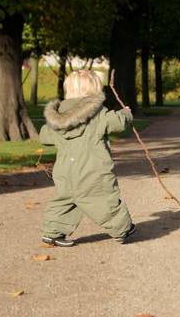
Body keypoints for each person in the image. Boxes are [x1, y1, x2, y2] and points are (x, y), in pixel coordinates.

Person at [38, 69, 136, 247]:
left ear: (70, 92)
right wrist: (126, 113)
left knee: (66, 198)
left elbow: (44, 136)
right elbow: (117, 122)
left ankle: (51, 232)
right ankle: (121, 228)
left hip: (65, 170)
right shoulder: (97, 113)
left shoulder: (58, 118)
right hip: (92, 169)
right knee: (102, 198)